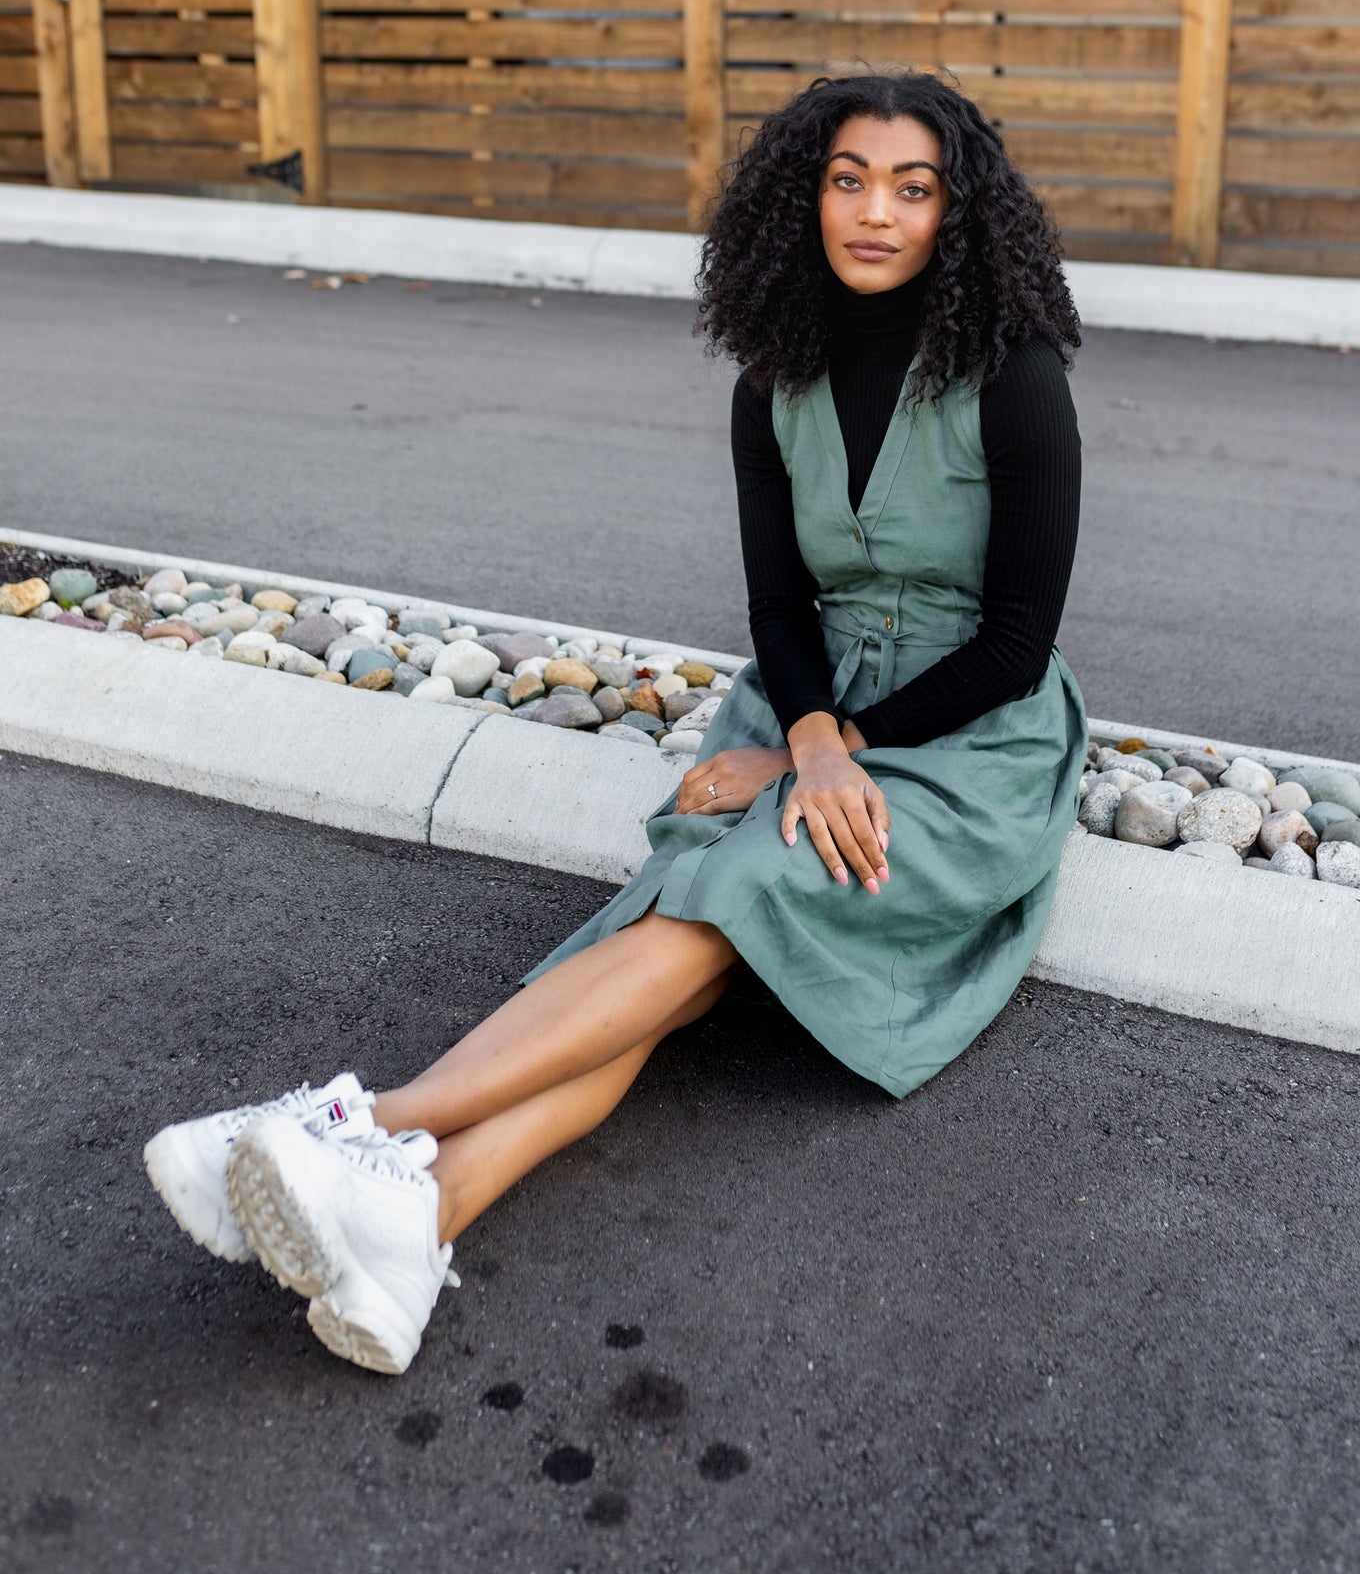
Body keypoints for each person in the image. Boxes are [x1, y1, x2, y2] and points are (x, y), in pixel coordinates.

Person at [143, 69, 1087, 1376]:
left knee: (731, 886)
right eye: (848, 180)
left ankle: (363, 1121)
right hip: (811, 704)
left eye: (912, 189)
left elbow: (1014, 644)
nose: (875, 212)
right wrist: (798, 730)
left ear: (956, 215)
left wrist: (822, 754)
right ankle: (418, 1223)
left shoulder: (1012, 377)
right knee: (673, 931)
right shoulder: (774, 382)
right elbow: (777, 602)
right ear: (802, 199)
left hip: (962, 742)